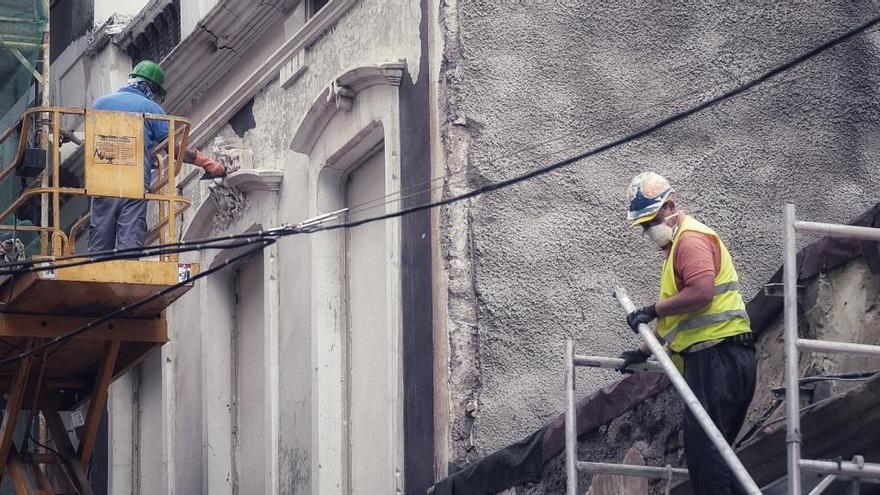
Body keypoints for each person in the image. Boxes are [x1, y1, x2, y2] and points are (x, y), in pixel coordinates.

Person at [617, 172, 756, 495]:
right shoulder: (678, 249)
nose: (648, 230)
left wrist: (651, 310)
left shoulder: (690, 240)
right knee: (717, 456)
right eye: (644, 225)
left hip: (719, 357)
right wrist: (644, 351)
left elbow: (702, 293)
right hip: (723, 358)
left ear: (670, 207)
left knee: (706, 456)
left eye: (651, 221)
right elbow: (683, 317)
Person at [88, 60, 226, 253]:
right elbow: (172, 148)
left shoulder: (100, 104)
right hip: (133, 185)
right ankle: (129, 279)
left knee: (99, 242)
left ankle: (97, 276)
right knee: (130, 244)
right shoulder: (151, 109)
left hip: (102, 183)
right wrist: (206, 162)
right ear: (152, 88)